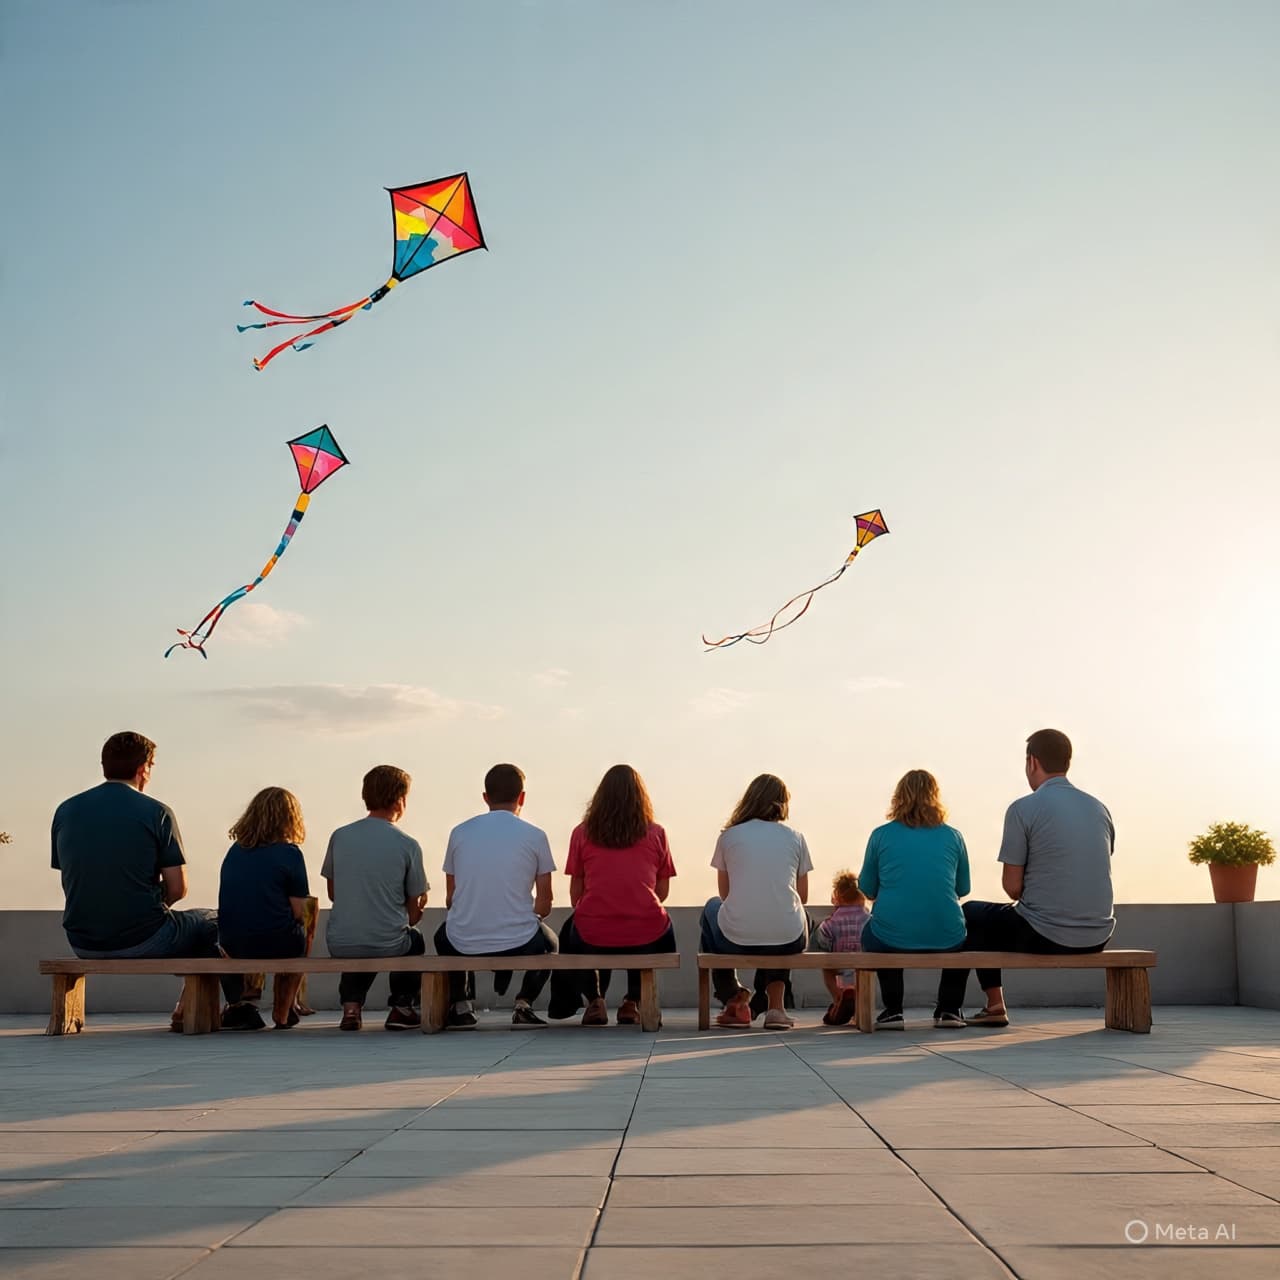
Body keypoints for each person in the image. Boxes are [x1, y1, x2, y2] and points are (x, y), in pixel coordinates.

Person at [50, 731, 228, 1030]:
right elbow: (178, 888)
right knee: (213, 921)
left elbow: (73, 877)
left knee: (194, 929)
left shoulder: (66, 810)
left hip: (82, 941)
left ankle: (188, 1006)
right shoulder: (156, 812)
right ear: (143, 767)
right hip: (143, 938)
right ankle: (221, 1006)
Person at [943, 729, 1115, 1027]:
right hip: (1098, 936)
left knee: (972, 914)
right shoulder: (1099, 808)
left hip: (1046, 933)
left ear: (1032, 762)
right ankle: (992, 1006)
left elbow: (1012, 888)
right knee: (989, 921)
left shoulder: (1024, 808)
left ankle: (951, 1008)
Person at [547, 764, 678, 1026]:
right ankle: (631, 1003)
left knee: (578, 927)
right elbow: (661, 892)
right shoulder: (657, 833)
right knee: (644, 921)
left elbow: (576, 896)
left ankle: (595, 1001)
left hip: (594, 934)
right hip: (648, 935)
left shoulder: (582, 833)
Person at [435, 763, 558, 1029]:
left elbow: (450, 899)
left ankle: (462, 1006)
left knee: (442, 936)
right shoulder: (536, 836)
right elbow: (544, 904)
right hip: (521, 939)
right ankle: (523, 1004)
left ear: (485, 797)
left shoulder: (459, 832)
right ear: (522, 797)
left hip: (463, 939)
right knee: (552, 945)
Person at [859, 770, 971, 1030]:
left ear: (898, 797)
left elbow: (867, 888)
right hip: (946, 934)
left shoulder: (881, 835)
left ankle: (893, 1009)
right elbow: (962, 888)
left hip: (891, 934)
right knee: (966, 938)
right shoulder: (953, 836)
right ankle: (950, 1009)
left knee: (872, 933)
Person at [700, 774, 813, 1031]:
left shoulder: (728, 837)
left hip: (735, 938)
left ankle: (733, 998)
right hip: (788, 937)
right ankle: (776, 1007)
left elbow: (725, 896)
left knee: (711, 907)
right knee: (791, 917)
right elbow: (802, 897)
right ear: (782, 804)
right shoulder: (795, 837)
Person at [322, 765, 428, 1032]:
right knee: (413, 939)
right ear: (399, 800)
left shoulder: (340, 836)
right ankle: (402, 1007)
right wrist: (416, 907)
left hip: (340, 942)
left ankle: (351, 1007)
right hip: (386, 941)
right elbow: (413, 915)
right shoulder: (407, 844)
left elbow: (334, 894)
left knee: (361, 938)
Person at [217, 787, 315, 1031]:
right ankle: (284, 1008)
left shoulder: (235, 852)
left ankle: (248, 998)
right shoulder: (290, 854)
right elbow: (298, 912)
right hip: (277, 942)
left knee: (256, 924)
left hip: (233, 943)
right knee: (307, 918)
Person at [809, 869, 870, 1026]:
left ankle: (838, 998)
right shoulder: (868, 918)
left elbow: (822, 936)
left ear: (837, 896)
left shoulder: (834, 920)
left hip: (839, 962)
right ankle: (859, 1004)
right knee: (865, 974)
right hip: (863, 963)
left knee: (827, 968)